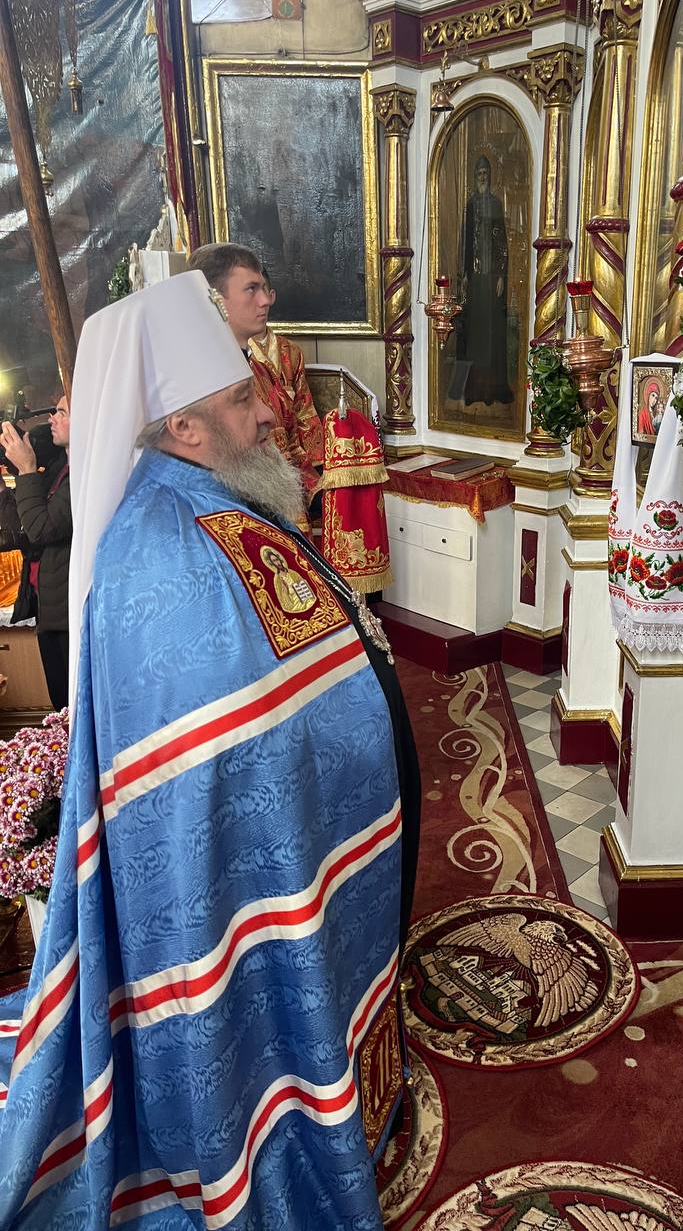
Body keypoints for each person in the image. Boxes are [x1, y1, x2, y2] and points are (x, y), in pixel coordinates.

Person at [0, 273, 420, 1229]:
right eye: (240, 399)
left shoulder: (217, 497)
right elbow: (212, 754)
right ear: (183, 427)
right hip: (242, 881)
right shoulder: (160, 549)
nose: (268, 413)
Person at [187, 242, 324, 537]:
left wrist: (316, 486)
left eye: (264, 289)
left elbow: (293, 427)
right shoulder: (200, 377)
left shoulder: (258, 365)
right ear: (214, 299)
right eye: (251, 289)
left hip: (276, 498)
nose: (265, 301)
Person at [0, 396, 71, 708]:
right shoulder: (57, 466)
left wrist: (27, 468)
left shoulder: (82, 474)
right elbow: (21, 531)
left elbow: (42, 529)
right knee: (60, 702)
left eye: (62, 412)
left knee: (70, 703)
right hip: (49, 608)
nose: (52, 418)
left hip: (68, 611)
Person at [457, 154, 512, 406]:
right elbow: (465, 242)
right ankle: (474, 390)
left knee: (491, 336)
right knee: (475, 336)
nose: (482, 177)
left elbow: (502, 244)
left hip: (491, 279)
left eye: (485, 174)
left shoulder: (496, 204)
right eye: (478, 174)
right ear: (474, 177)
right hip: (475, 278)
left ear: (490, 176)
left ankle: (491, 389)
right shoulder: (470, 205)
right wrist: (464, 275)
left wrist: (501, 275)